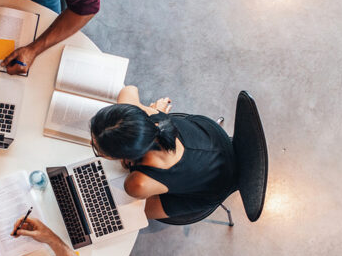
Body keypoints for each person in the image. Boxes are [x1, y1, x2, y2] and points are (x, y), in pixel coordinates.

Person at [89, 85, 237, 220]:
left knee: (130, 214)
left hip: (215, 186)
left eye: (98, 150)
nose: (91, 143)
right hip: (213, 138)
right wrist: (150, 111)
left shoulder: (137, 184)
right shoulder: (149, 114)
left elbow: (136, 188)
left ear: (126, 156)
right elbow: (129, 90)